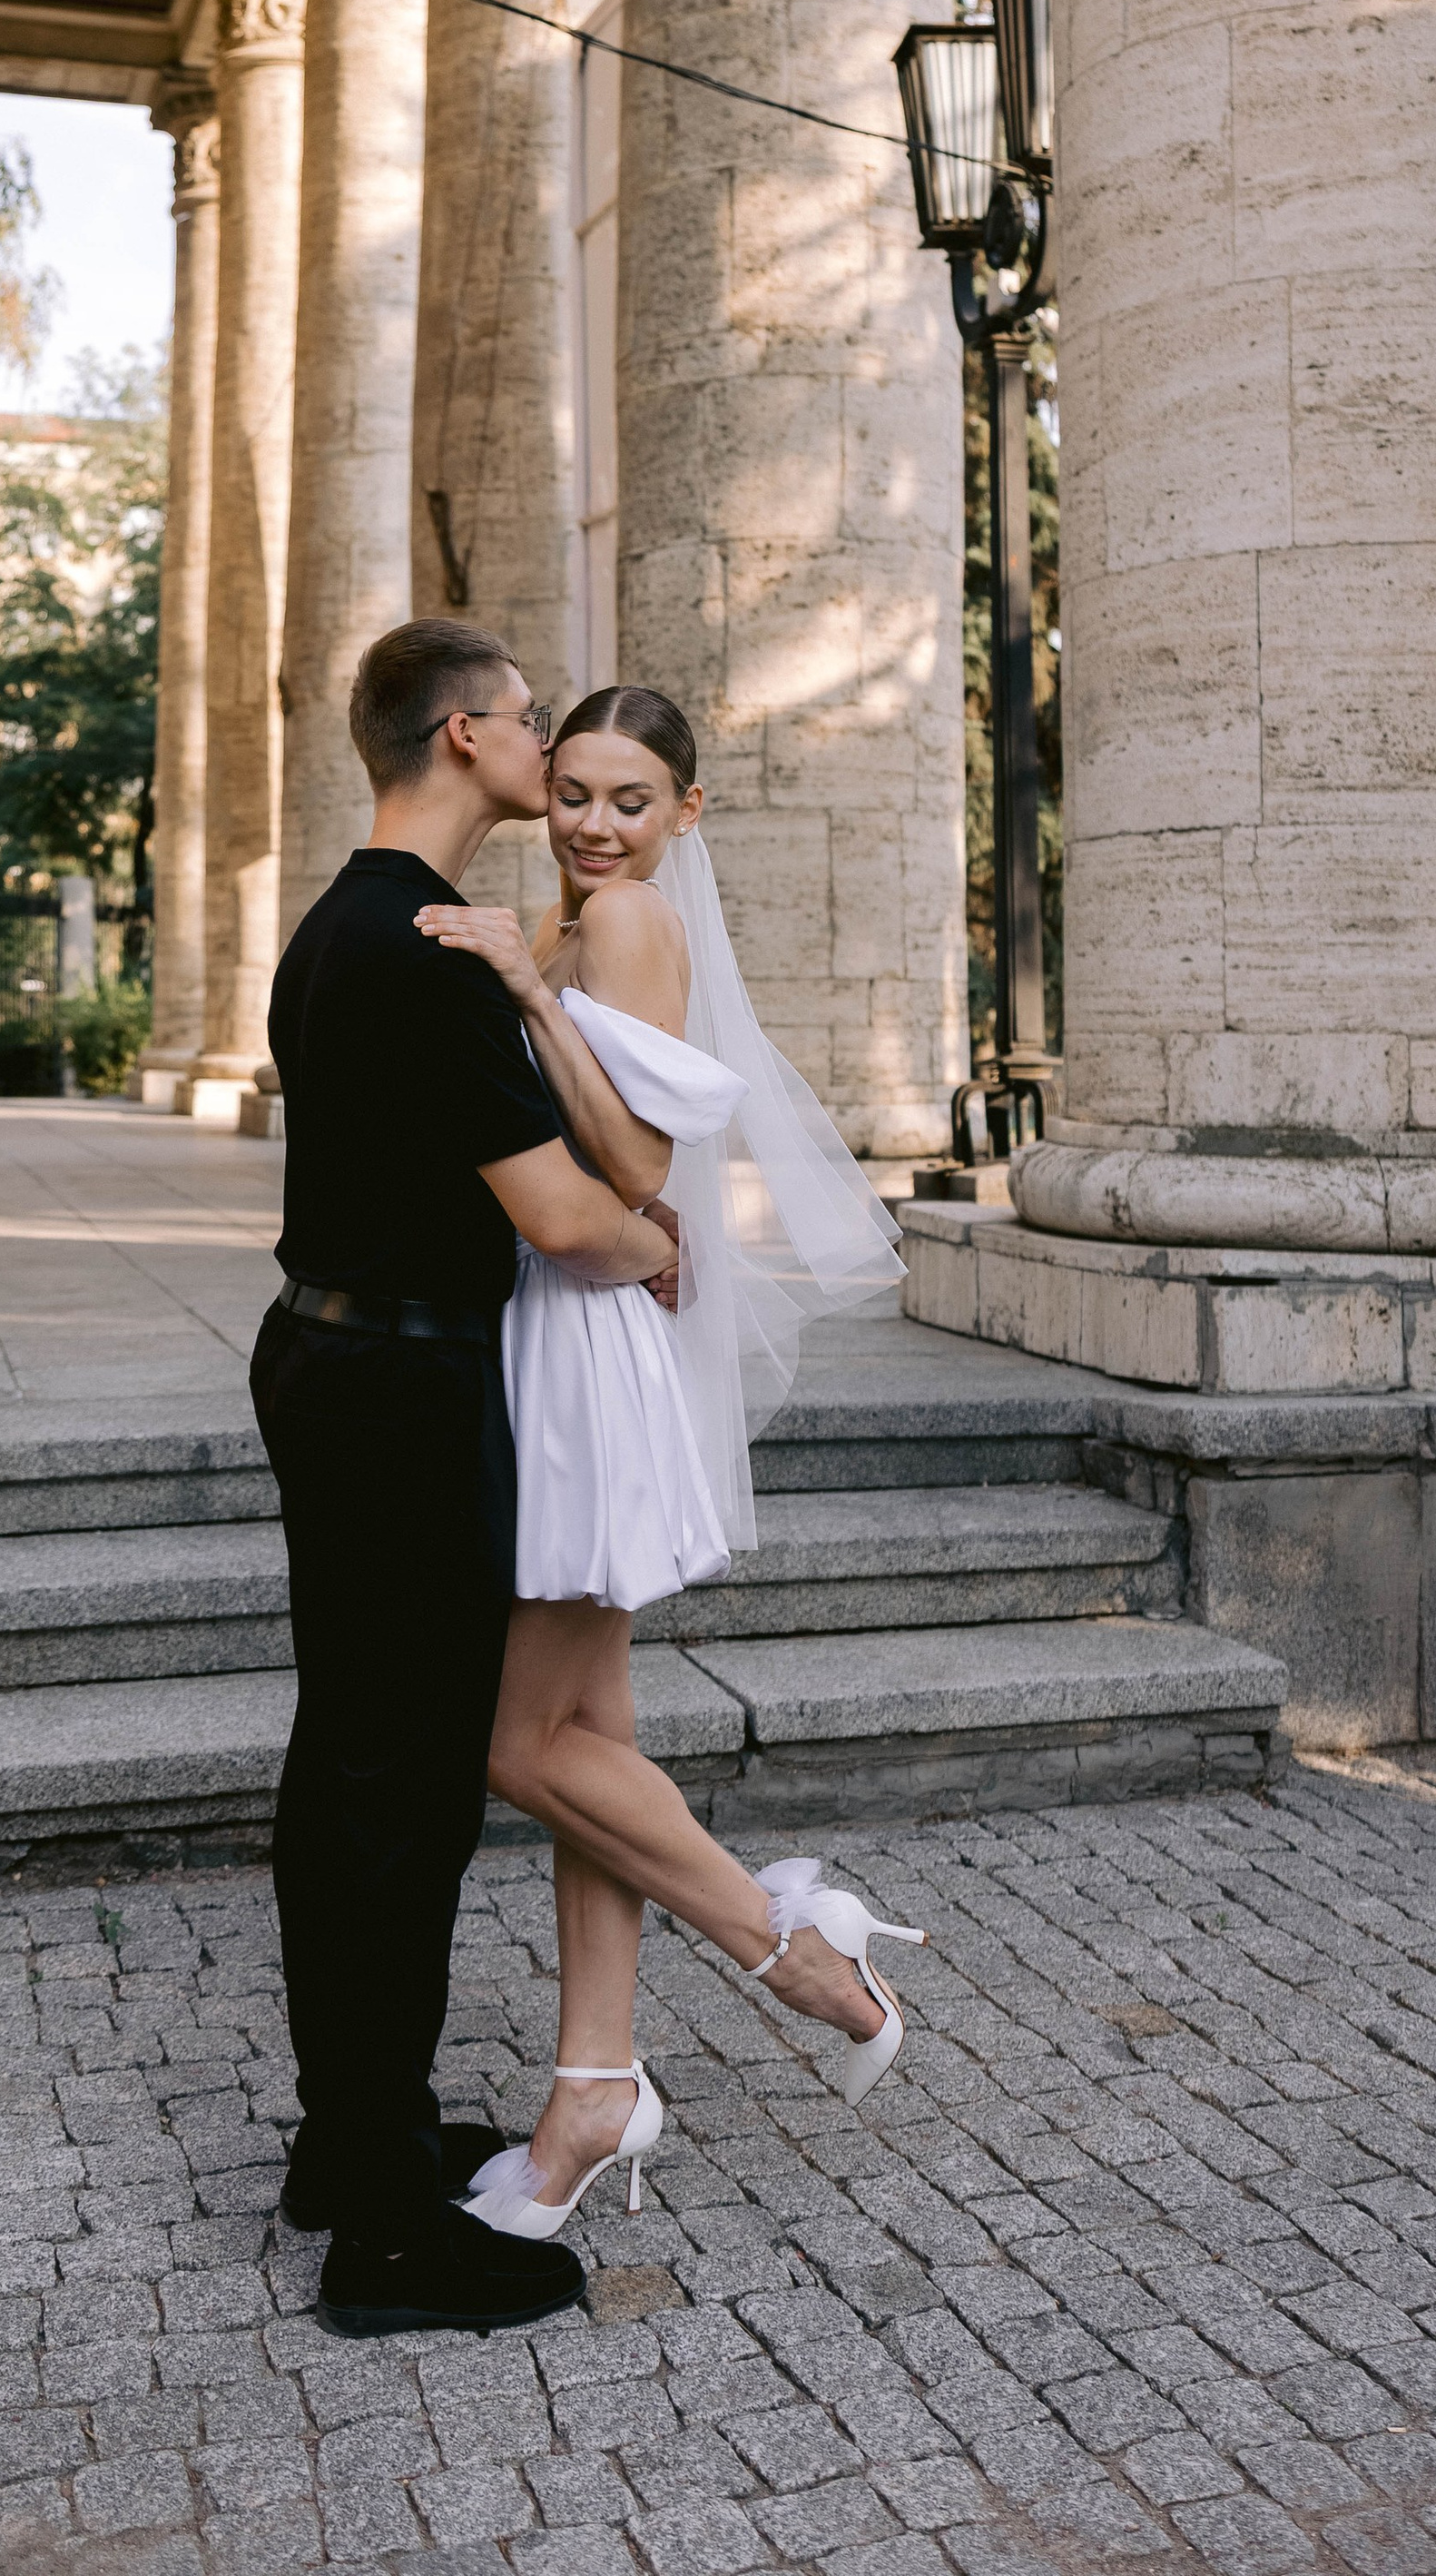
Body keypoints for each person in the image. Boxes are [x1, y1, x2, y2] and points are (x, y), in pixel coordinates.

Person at [416, 685, 922, 2241]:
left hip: (587, 1351)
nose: (591, 824)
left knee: (519, 1750)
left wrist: (523, 982)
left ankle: (799, 1953)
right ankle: (595, 2081)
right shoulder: (578, 925)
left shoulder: (619, 926)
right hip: (558, 1328)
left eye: (630, 799)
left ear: (684, 817)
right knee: (587, 1749)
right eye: (572, 790)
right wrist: (528, 967)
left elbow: (635, 1166)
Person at [252, 621, 682, 2339]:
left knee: (353, 1757)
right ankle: (382, 2229)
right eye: (522, 721)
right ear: (462, 737)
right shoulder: (425, 950)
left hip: (346, 1358)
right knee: (401, 1791)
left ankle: (347, 2137)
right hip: (400, 1388)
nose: (541, 745)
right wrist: (665, 1245)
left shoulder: (347, 922)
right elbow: (571, 1217)